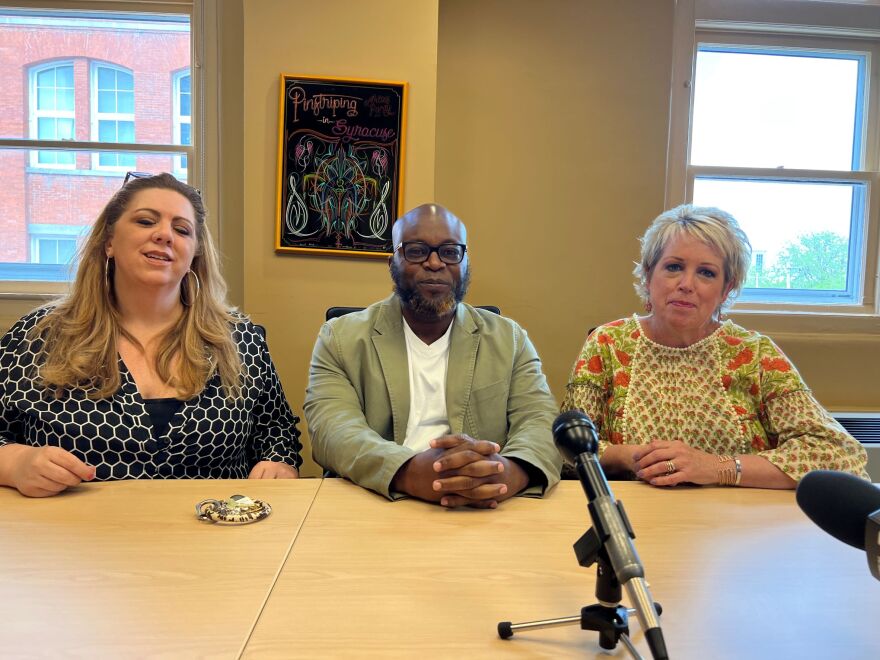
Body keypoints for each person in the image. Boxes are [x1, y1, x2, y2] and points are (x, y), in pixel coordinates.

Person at [0, 172, 302, 497]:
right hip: (74, 539)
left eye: (182, 229)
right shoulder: (38, 336)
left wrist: (280, 464)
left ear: (194, 254)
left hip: (215, 536)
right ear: (109, 242)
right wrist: (15, 463)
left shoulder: (241, 340)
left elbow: (277, 431)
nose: (164, 235)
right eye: (146, 222)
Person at [561, 204, 867, 489]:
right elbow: (565, 452)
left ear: (726, 289)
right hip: (632, 516)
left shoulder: (754, 354)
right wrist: (629, 456)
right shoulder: (607, 344)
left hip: (736, 529)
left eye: (706, 273)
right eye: (673, 267)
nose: (687, 284)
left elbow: (839, 457)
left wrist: (717, 467)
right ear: (648, 274)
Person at [305, 203, 561, 508]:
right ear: (393, 263)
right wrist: (407, 471)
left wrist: (505, 473)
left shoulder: (510, 339)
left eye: (450, 252)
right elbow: (333, 431)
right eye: (416, 250)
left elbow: (540, 420)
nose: (435, 262)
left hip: (483, 506)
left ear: (465, 264)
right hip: (379, 500)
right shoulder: (340, 338)